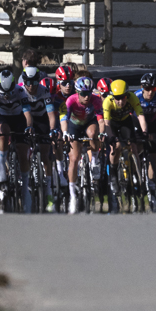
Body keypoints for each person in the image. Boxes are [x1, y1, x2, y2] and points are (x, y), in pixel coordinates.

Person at [58, 74, 105, 214]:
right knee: (74, 159)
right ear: (77, 92)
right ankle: (72, 195)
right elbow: (64, 119)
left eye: (89, 93)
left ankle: (94, 160)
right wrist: (65, 133)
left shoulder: (96, 100)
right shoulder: (70, 101)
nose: (86, 97)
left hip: (89, 123)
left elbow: (101, 121)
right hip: (74, 126)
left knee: (93, 133)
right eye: (83, 94)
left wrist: (102, 133)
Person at [0, 67, 33, 211]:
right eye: (4, 93)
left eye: (9, 93)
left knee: (22, 152)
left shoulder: (20, 91)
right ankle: (2, 167)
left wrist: (29, 127)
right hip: (3, 118)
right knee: (3, 132)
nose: (6, 96)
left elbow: (27, 114)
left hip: (18, 118)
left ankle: (25, 187)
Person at [101, 79, 148, 213]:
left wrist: (144, 132)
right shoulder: (107, 102)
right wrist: (111, 137)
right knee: (115, 147)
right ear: (112, 97)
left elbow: (140, 116)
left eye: (123, 97)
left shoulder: (132, 97)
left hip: (126, 121)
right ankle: (113, 173)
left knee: (133, 145)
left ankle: (136, 174)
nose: (121, 101)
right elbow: (106, 123)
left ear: (127, 95)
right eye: (117, 98)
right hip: (112, 124)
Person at [19, 63, 59, 211]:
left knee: (45, 154)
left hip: (41, 120)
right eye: (28, 82)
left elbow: (51, 114)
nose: (31, 86)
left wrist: (52, 129)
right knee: (23, 150)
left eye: (34, 82)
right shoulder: (20, 90)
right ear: (24, 81)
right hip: (25, 120)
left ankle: (48, 191)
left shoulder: (44, 91)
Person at [134, 72, 156, 205]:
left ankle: (151, 183)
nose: (150, 92)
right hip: (136, 125)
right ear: (142, 87)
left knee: (153, 156)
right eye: (147, 89)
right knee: (136, 150)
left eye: (154, 88)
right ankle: (135, 177)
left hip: (152, 126)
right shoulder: (136, 97)